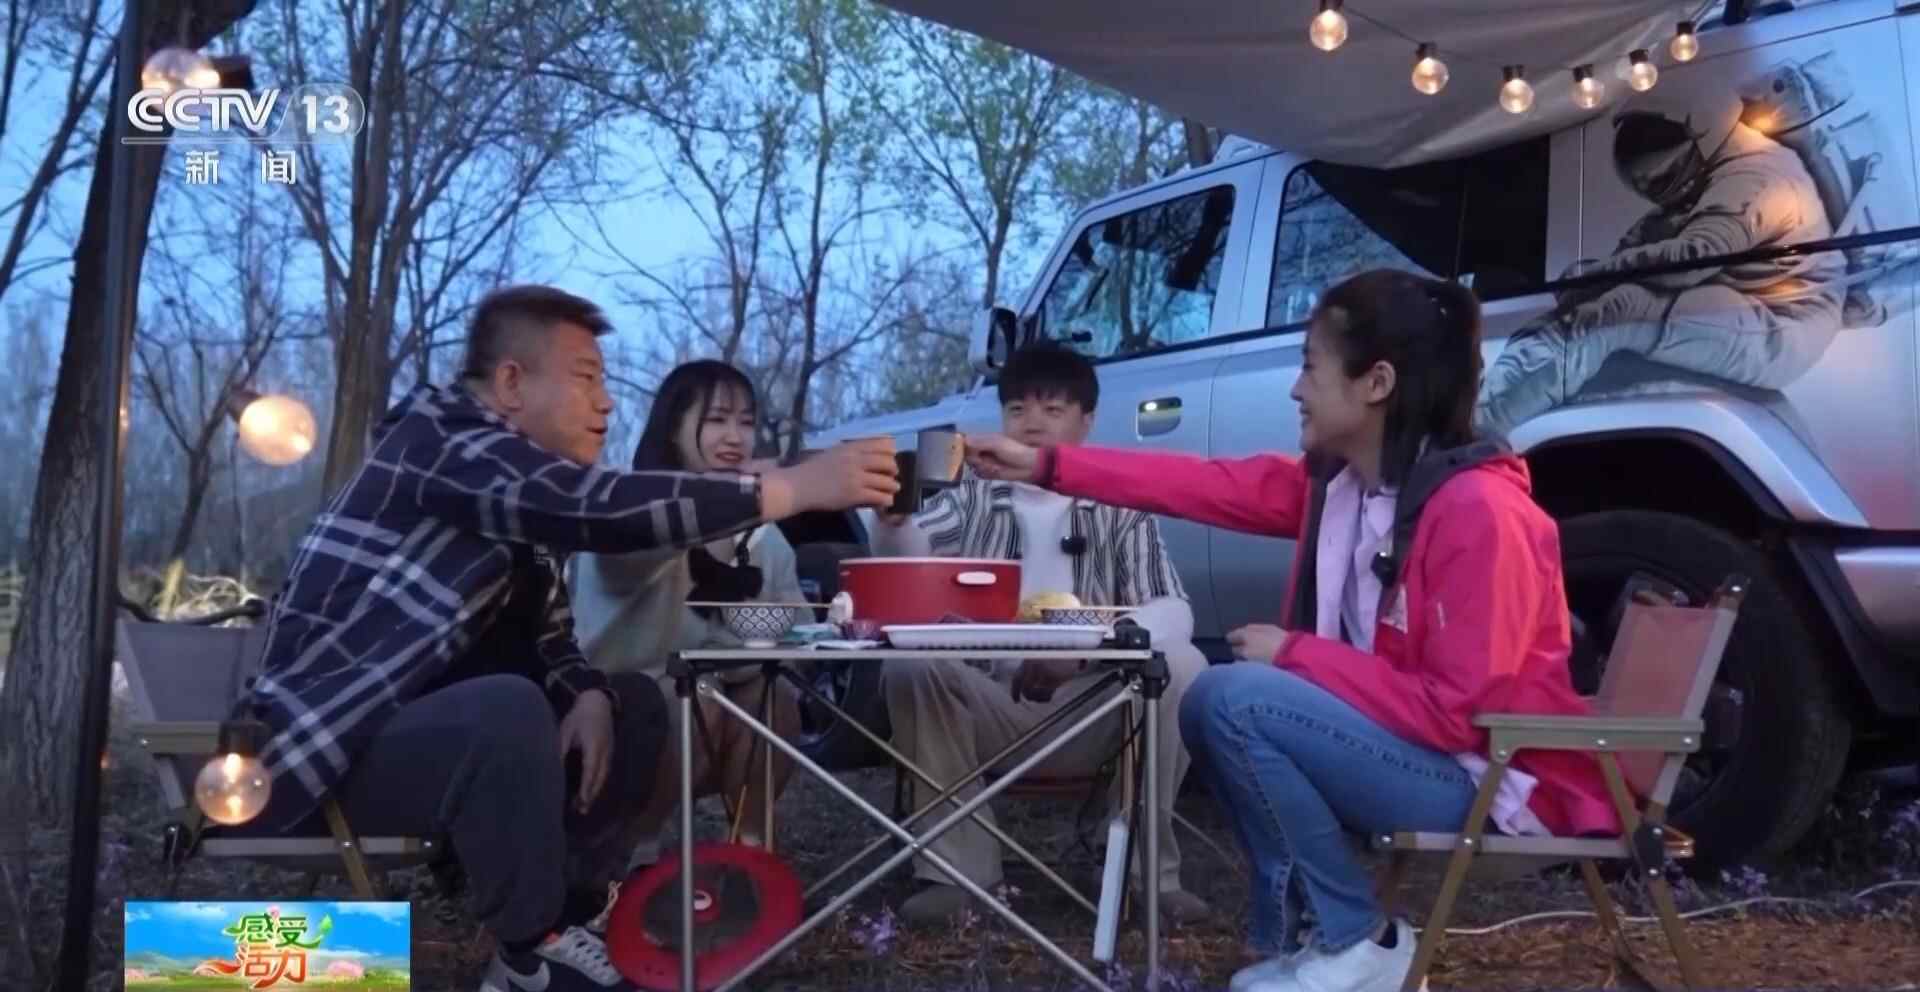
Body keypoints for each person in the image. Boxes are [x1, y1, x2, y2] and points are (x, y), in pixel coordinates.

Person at [967, 271, 1622, 992]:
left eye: (1311, 366)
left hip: (1488, 780)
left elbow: (1458, 714)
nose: (1295, 389)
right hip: (1420, 756)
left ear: (1376, 383)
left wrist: (1296, 654)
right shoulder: (1347, 492)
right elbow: (1199, 484)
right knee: (1214, 700)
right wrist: (1047, 464)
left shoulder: (1481, 513)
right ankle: (1332, 936)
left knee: (1234, 698)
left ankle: (1356, 939)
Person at [232, 286, 897, 992]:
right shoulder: (442, 443)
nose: (605, 403)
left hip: (425, 748)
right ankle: (530, 951)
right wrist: (793, 488)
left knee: (630, 704)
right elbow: (600, 511)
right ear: (511, 383)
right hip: (327, 754)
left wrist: (586, 693)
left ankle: (579, 911)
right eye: (586, 378)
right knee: (508, 706)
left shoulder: (514, 499)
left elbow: (549, 633)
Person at [867, 343, 1212, 926]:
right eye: (1018, 408)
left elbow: (1174, 609)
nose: (1032, 422)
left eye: (1053, 409)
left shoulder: (1119, 502)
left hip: (1096, 709)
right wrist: (891, 519)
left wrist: (1082, 651)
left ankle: (1143, 876)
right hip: (987, 702)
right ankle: (958, 878)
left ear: (1087, 421)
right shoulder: (971, 495)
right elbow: (909, 564)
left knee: (1183, 663)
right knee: (910, 665)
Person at [1475, 84, 1845, 438]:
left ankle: (1479, 432)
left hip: (1784, 319)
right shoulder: (1712, 175)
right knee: (1579, 311)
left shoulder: (1755, 180)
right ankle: (1482, 411)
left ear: (1702, 133)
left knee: (1621, 311)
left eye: (1663, 178)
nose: (1656, 191)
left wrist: (1601, 275)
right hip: (1749, 299)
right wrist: (1587, 285)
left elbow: (1693, 259)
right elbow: (1649, 245)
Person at [570, 361, 805, 880]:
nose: (735, 437)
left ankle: (748, 853)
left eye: (746, 422)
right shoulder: (629, 510)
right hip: (622, 710)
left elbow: (789, 627)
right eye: (717, 419)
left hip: (713, 710)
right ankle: (632, 860)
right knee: (697, 691)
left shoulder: (763, 533)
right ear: (673, 427)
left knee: (774, 696)